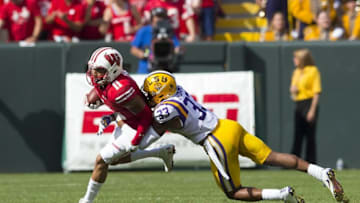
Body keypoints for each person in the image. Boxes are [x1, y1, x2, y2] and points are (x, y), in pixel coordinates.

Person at [141, 70, 348, 202]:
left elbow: (156, 124)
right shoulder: (177, 91)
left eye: (150, 93)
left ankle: (282, 195)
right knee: (272, 157)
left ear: (161, 93)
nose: (148, 97)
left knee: (233, 192)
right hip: (228, 126)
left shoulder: (165, 108)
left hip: (214, 140)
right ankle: (321, 173)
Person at [78, 47, 175, 203]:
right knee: (113, 161)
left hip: (135, 126)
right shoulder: (106, 79)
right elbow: (104, 92)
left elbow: (146, 116)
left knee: (101, 161)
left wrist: (137, 139)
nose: (94, 74)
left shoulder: (121, 89)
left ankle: (86, 201)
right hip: (125, 118)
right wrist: (98, 101)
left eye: (100, 70)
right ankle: (162, 152)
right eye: (93, 69)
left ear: (114, 70)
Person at [289, 49, 321, 164]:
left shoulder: (313, 71)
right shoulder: (296, 72)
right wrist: (293, 91)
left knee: (310, 135)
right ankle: (293, 161)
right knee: (298, 134)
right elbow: (293, 90)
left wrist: (312, 110)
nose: (294, 60)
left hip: (309, 102)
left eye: (296, 58)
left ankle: (310, 161)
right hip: (299, 103)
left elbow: (316, 92)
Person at [131, 7, 180, 74]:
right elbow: (134, 49)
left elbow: (177, 48)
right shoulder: (144, 31)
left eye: (162, 17)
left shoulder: (169, 31)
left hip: (165, 69)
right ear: (152, 18)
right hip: (146, 70)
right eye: (157, 17)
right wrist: (146, 55)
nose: (160, 19)